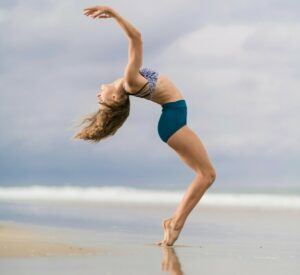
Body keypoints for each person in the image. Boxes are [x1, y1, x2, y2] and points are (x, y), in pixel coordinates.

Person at [74, 5, 217, 246]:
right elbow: (136, 38)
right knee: (207, 175)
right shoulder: (129, 81)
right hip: (173, 120)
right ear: (117, 99)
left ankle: (173, 223)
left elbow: (136, 39)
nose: (99, 99)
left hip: (172, 120)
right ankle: (175, 223)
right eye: (103, 104)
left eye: (101, 102)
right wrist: (113, 13)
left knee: (205, 175)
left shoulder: (127, 82)